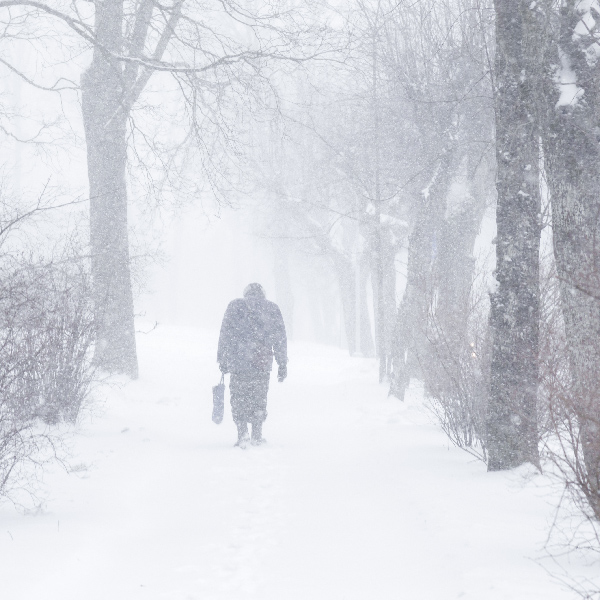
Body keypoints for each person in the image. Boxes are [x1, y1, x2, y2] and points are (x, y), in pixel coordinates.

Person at [217, 283, 288, 448]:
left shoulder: (235, 306)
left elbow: (225, 334)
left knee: (238, 398)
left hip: (238, 362)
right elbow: (280, 338)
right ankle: (257, 434)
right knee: (259, 397)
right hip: (261, 363)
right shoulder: (271, 309)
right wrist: (282, 363)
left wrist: (223, 359)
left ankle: (242, 434)